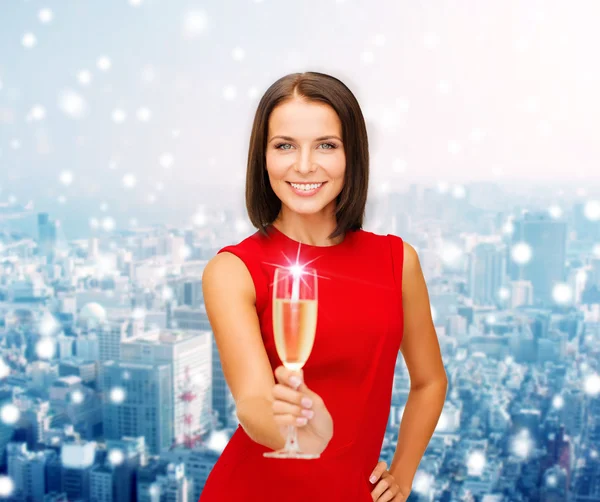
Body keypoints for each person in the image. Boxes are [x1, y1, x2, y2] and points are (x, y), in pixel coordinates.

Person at [199, 71, 448, 501]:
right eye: (284, 146)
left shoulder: (397, 261)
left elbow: (430, 381)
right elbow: (253, 402)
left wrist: (403, 475)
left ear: (353, 155)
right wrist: (298, 432)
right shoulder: (232, 270)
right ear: (263, 157)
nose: (304, 165)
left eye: (326, 145)